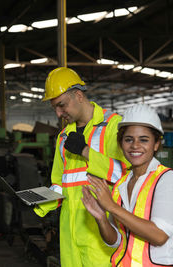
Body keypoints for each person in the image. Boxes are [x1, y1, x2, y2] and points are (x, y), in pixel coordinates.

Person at [34, 67, 129, 267]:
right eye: (55, 109)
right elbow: (60, 184)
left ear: (78, 95)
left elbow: (126, 174)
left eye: (62, 105)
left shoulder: (114, 126)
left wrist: (86, 151)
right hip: (70, 235)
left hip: (102, 234)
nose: (59, 114)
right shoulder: (63, 137)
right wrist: (37, 203)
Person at [81, 104, 173, 266]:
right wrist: (101, 219)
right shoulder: (121, 184)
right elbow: (116, 241)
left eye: (144, 140)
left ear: (156, 144)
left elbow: (159, 236)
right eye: (128, 139)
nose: (135, 146)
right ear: (120, 143)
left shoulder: (167, 179)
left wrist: (111, 207)